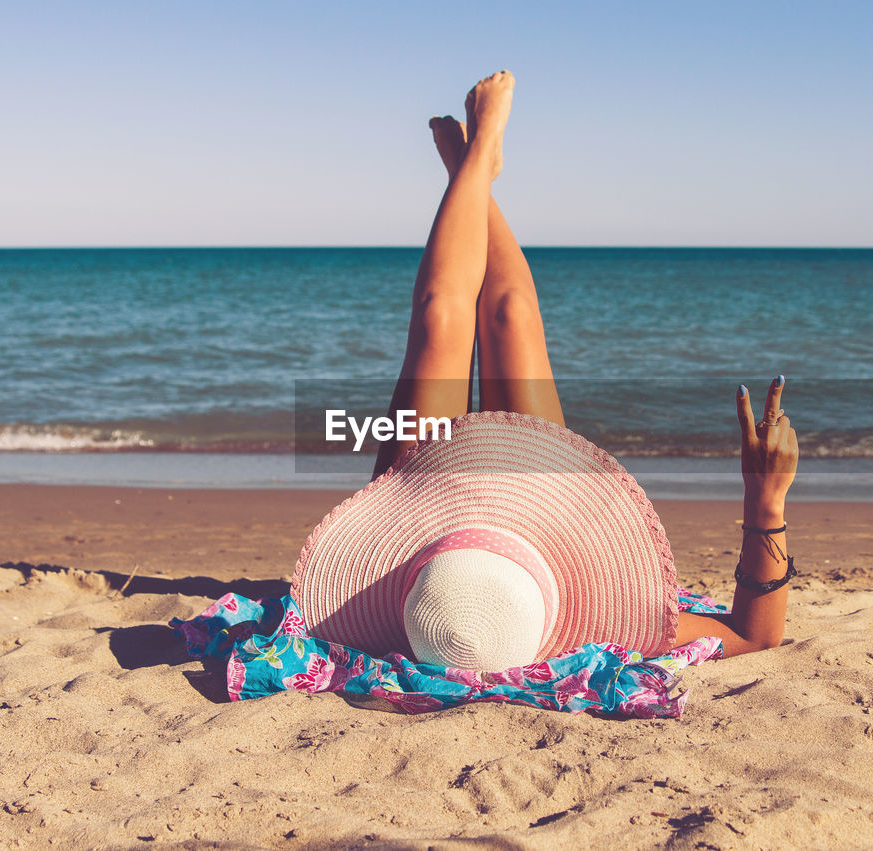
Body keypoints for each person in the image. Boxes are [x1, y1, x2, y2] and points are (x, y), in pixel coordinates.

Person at [291, 71, 798, 671]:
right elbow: (756, 634)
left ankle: (475, 161)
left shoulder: (392, 628)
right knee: (506, 314)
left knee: (440, 319)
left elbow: (753, 633)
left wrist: (764, 496)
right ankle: (470, 167)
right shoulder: (606, 639)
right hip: (535, 503)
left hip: (424, 518)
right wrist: (766, 502)